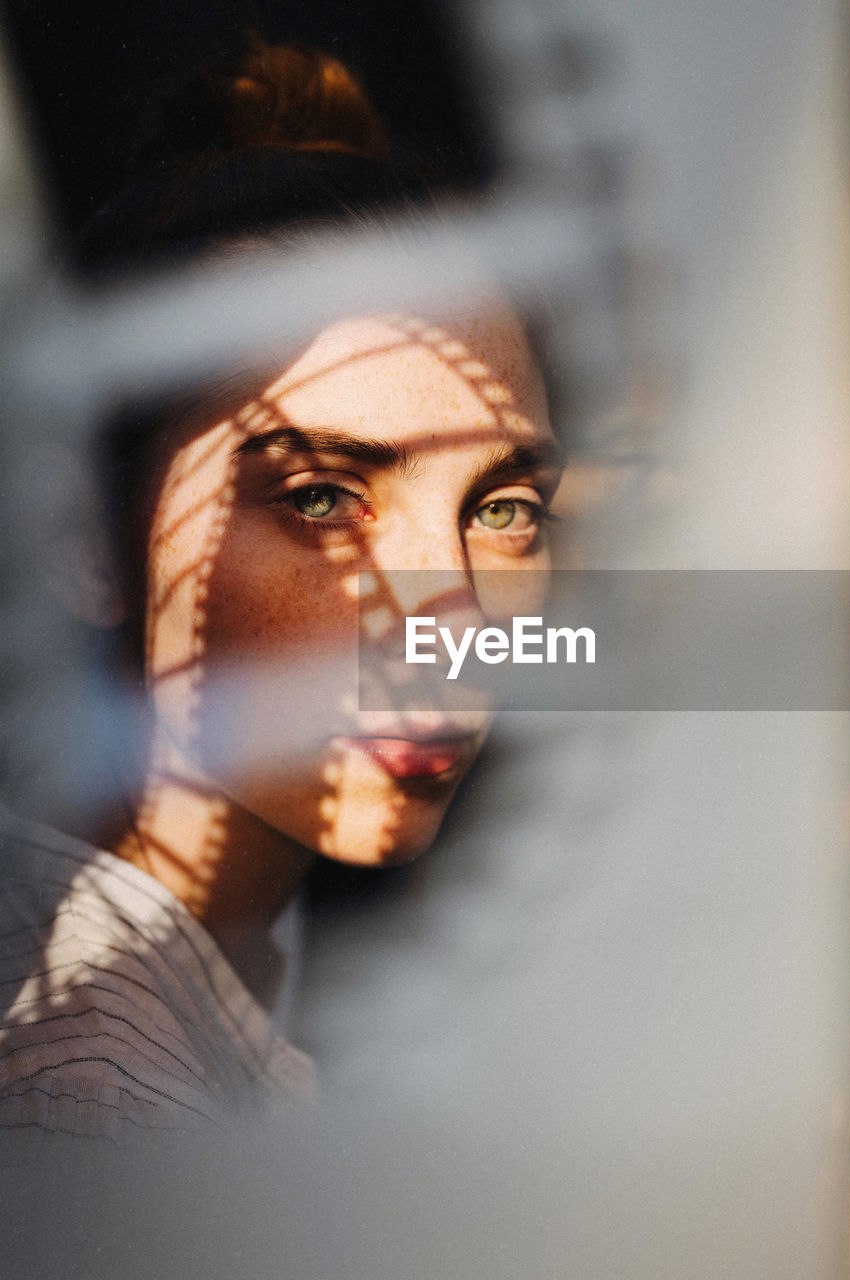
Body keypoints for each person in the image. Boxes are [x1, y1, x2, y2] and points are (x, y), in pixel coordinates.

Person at [0, 41, 563, 1143]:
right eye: (320, 498)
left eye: (503, 511)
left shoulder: (254, 968)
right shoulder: (87, 1097)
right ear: (84, 536)